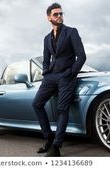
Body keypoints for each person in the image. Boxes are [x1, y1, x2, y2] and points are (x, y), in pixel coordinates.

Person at [32, 3, 86, 157]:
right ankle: (48, 138)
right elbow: (46, 59)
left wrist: (71, 72)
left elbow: (81, 56)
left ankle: (56, 147)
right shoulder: (46, 38)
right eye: (56, 14)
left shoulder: (71, 32)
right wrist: (46, 72)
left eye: (61, 14)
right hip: (51, 77)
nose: (59, 16)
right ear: (49, 17)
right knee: (36, 104)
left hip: (66, 77)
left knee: (62, 109)